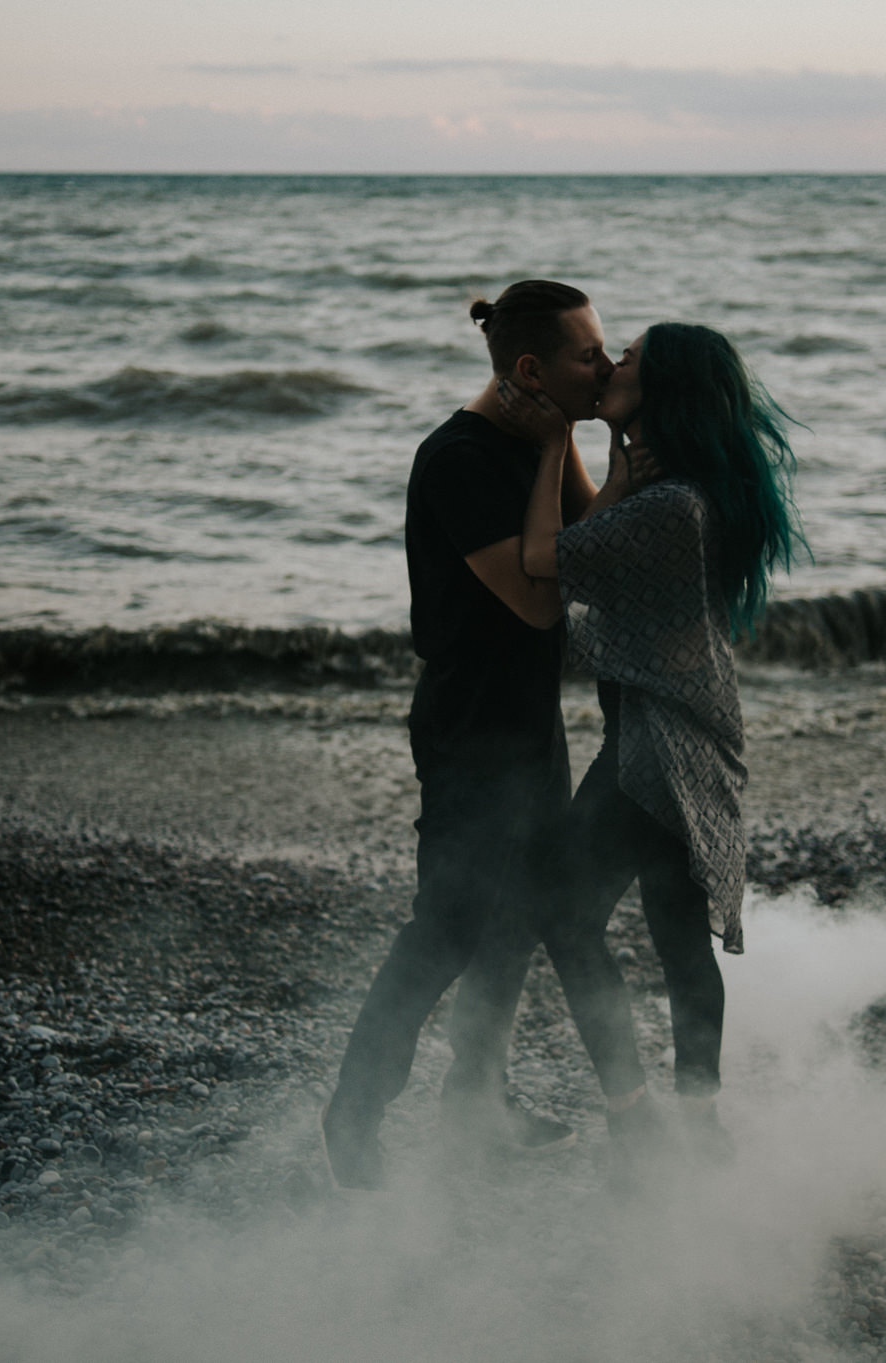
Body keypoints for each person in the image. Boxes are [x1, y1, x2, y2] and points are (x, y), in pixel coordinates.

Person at [320, 280, 628, 1191]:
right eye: (588, 357)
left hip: (528, 723)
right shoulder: (457, 459)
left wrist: (581, 440)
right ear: (531, 369)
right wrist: (550, 449)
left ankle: (477, 1105)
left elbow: (593, 539)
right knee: (449, 925)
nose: (606, 367)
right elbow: (539, 605)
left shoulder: (536, 439)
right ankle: (354, 1108)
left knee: (518, 921)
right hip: (469, 729)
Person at [497, 321, 805, 1168]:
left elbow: (538, 558)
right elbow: (593, 538)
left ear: (664, 389)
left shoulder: (672, 508)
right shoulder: (675, 490)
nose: (613, 362)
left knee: (561, 909)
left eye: (629, 356)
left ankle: (637, 1117)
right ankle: (701, 1127)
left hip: (656, 743)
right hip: (686, 734)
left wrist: (556, 443)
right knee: (675, 935)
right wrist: (613, 447)